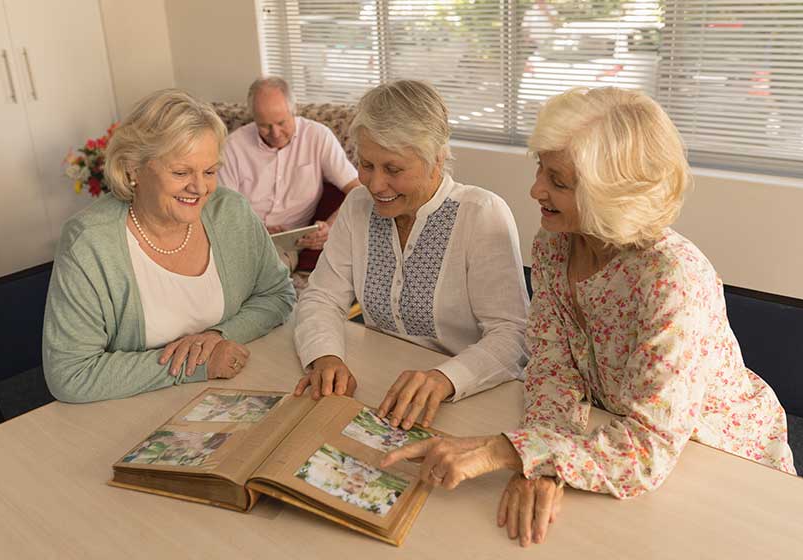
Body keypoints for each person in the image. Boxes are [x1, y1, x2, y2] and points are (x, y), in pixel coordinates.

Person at [382, 87, 795, 547]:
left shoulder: (673, 278)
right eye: (540, 167)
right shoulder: (556, 242)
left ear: (613, 193)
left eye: (559, 181)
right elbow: (553, 367)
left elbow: (647, 450)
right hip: (615, 434)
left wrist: (508, 450)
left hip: (723, 462)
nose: (536, 189)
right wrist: (540, 455)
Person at [293, 80, 529, 430]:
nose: (374, 185)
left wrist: (444, 378)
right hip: (376, 386)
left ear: (436, 158)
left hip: (465, 399)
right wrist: (324, 355)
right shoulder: (358, 205)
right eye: (366, 164)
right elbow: (322, 297)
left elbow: (513, 335)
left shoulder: (481, 213)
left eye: (393, 169)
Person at [43, 89, 296, 403]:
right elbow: (70, 373)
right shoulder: (90, 242)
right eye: (181, 172)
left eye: (209, 171)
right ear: (134, 169)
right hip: (127, 414)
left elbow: (278, 294)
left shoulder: (232, 212)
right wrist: (195, 365)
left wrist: (218, 337)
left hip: (231, 393)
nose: (200, 188)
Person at [217, 76, 360, 265]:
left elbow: (357, 189)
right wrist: (255, 229)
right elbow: (223, 208)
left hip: (286, 244)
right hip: (242, 236)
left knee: (265, 271)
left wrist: (331, 227)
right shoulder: (234, 146)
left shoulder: (317, 137)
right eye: (265, 126)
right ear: (254, 119)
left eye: (281, 123)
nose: (275, 133)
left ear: (294, 111)